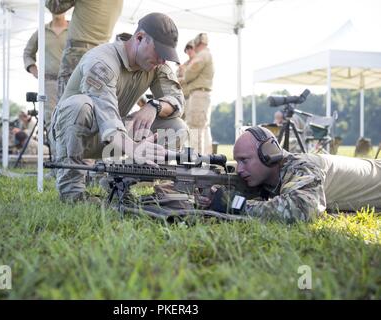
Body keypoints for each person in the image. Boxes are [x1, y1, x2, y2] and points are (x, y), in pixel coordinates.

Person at [50, 12, 188, 202]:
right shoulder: (102, 61)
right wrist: (134, 149)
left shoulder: (155, 64)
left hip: (114, 136)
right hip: (76, 136)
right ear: (139, 38)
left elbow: (177, 100)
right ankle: (72, 193)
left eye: (167, 55)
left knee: (177, 128)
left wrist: (154, 106)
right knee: (78, 105)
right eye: (160, 52)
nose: (163, 61)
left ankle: (120, 182)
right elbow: (105, 113)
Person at [213, 126, 381, 223]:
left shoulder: (302, 166)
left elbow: (301, 209)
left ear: (268, 153)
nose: (240, 169)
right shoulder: (271, 170)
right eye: (238, 161)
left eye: (244, 160)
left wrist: (233, 203)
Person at [45, 0, 124, 101]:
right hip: (102, 56)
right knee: (90, 105)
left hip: (77, 53)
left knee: (66, 105)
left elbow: (54, 6)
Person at [23, 11, 69, 138]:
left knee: (72, 119)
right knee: (52, 121)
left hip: (71, 82)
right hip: (49, 83)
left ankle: (71, 157)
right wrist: (35, 72)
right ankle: (57, 157)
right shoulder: (42, 31)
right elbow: (27, 53)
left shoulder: (74, 29)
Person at [179, 33, 214, 155]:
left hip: (198, 96)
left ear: (197, 43)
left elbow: (189, 73)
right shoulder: (206, 54)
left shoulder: (202, 55)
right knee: (202, 129)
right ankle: (204, 160)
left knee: (195, 129)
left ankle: (196, 160)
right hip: (201, 95)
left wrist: (185, 74)